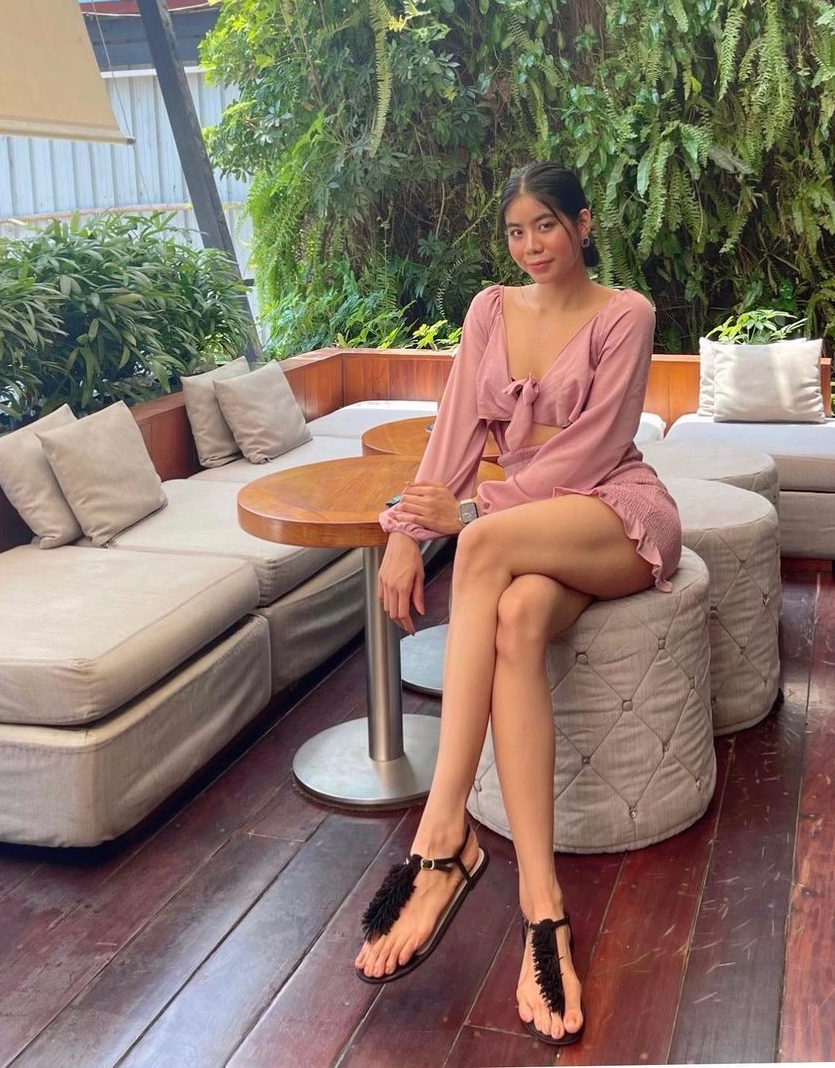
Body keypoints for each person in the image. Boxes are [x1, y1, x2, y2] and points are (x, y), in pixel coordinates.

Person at [354, 160, 681, 1047]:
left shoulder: (626, 313)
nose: (531, 244)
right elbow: (456, 428)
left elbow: (595, 451)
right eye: (515, 230)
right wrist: (402, 529)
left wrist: (466, 515)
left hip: (613, 513)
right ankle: (542, 902)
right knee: (516, 616)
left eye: (546, 224)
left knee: (484, 545)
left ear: (583, 223)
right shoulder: (490, 311)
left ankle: (442, 837)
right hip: (534, 531)